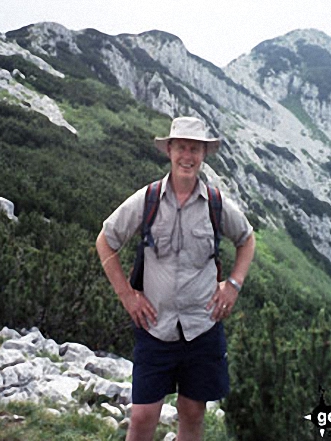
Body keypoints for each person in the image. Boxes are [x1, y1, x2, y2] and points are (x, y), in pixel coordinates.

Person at [95, 116, 255, 440]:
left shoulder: (215, 203)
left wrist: (234, 286)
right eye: (181, 147)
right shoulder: (148, 199)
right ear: (169, 150)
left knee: (193, 412)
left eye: (195, 149)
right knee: (142, 416)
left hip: (203, 326)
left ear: (204, 155)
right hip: (155, 327)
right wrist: (127, 295)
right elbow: (105, 240)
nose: (188, 156)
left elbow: (247, 239)